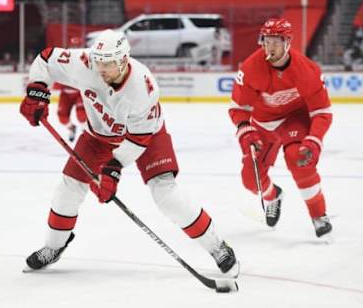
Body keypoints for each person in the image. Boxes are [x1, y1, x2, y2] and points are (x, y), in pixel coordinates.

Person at [19, 29, 239, 275]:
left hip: (146, 137)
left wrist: (111, 172)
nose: (101, 69)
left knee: (166, 195)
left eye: (109, 64)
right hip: (97, 136)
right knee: (68, 188)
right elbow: (46, 59)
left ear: (123, 60)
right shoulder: (84, 63)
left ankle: (217, 246)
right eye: (99, 62)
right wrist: (37, 91)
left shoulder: (142, 88)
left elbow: (138, 139)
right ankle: (53, 246)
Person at [229, 18, 333, 238]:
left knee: (298, 158)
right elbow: (239, 108)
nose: (270, 46)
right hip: (263, 123)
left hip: (295, 118)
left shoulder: (307, 70)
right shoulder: (250, 68)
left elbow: (321, 111)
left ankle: (318, 215)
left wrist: (314, 139)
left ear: (288, 43)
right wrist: (246, 132)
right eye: (266, 40)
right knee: (251, 179)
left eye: (276, 41)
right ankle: (272, 195)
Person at [57, 37, 87, 142]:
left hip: (80, 92)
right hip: (66, 93)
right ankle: (71, 128)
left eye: (77, 47)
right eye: (73, 47)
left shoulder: (87, 60)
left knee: (81, 115)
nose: (75, 50)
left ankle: (86, 133)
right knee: (62, 118)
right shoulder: (62, 60)